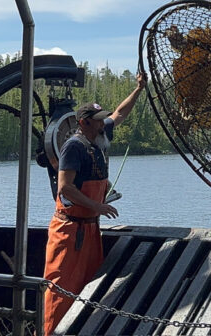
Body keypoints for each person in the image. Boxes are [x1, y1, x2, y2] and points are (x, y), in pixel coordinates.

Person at [43, 72, 146, 335]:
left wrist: (138, 90)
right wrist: (98, 206)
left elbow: (120, 114)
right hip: (69, 231)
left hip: (90, 230)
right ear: (84, 123)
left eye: (103, 120)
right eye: (98, 121)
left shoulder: (97, 138)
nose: (104, 124)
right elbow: (65, 187)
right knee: (60, 290)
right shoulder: (73, 147)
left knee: (89, 287)